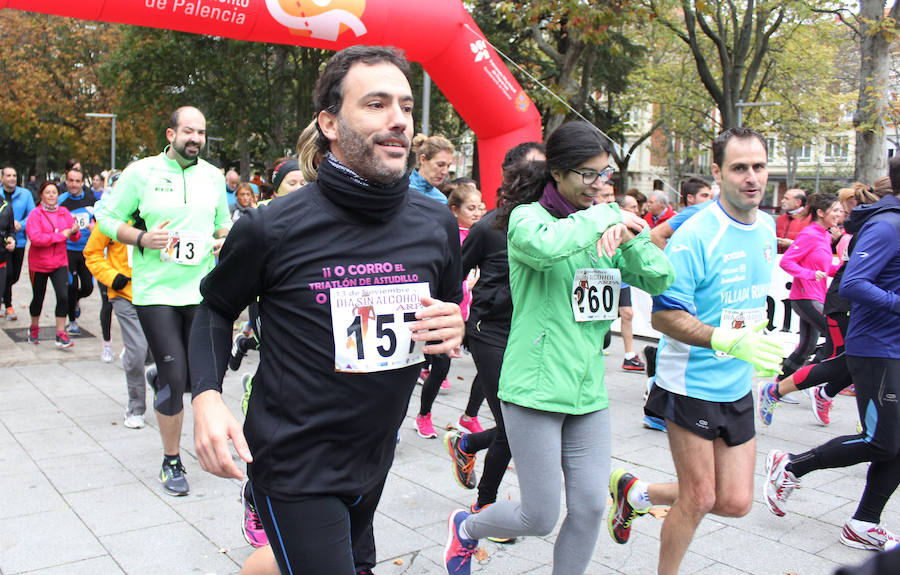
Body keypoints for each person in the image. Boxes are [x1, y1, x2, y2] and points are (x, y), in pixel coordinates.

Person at [188, 46, 464, 575]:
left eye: (406, 107)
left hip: (376, 452)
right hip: (294, 461)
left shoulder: (436, 224)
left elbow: (448, 314)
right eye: (377, 104)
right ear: (330, 123)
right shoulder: (272, 227)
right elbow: (215, 308)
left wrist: (453, 328)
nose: (399, 120)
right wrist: (205, 396)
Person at [444, 120, 674, 575]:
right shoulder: (528, 220)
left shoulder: (605, 225)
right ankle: (467, 529)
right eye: (588, 174)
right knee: (539, 516)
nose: (598, 185)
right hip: (535, 386)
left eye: (604, 174)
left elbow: (659, 277)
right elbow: (548, 247)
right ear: (558, 173)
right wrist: (605, 217)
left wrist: (635, 235)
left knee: (589, 507)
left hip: (588, 389)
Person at [607, 128, 782, 575]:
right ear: (718, 172)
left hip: (737, 383)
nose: (751, 178)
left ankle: (636, 493)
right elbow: (664, 317)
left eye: (758, 167)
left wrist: (754, 337)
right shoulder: (698, 234)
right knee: (700, 497)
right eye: (739, 168)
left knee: (737, 502)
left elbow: (743, 300)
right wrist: (725, 339)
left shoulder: (767, 225)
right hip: (689, 385)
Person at [764, 158, 900, 553]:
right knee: (881, 442)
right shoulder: (888, 226)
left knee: (896, 443)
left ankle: (863, 523)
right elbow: (855, 283)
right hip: (877, 347)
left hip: (892, 345)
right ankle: (790, 465)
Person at [97, 105, 230, 497]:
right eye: (189, 131)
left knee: (200, 376)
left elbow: (222, 221)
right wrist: (140, 238)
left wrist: (227, 237)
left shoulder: (213, 176)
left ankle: (162, 376)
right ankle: (171, 460)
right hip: (156, 292)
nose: (196, 139)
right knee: (175, 380)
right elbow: (105, 217)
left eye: (202, 133)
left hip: (202, 290)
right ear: (170, 134)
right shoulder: (141, 173)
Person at [443, 141, 544, 544]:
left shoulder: (555, 226)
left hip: (532, 333)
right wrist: (451, 322)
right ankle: (484, 508)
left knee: (524, 425)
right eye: (534, 172)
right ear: (514, 179)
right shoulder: (488, 227)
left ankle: (467, 443)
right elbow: (452, 275)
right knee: (513, 427)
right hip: (490, 332)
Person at [757, 180, 892, 426]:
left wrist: (830, 266)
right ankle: (789, 389)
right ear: (821, 212)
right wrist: (811, 275)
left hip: (827, 297)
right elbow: (789, 262)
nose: (839, 215)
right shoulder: (814, 233)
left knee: (808, 346)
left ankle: (791, 388)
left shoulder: (830, 235)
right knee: (837, 356)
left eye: (842, 211)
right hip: (813, 298)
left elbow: (840, 269)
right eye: (835, 211)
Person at [84, 182, 151, 429]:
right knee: (137, 350)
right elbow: (92, 253)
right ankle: (135, 407)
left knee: (161, 351)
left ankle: (154, 377)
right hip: (125, 295)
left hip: (157, 293)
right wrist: (113, 277)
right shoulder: (111, 220)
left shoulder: (157, 215)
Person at [25, 181, 80, 348]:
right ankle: (34, 327)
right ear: (41, 195)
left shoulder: (64, 212)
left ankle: (60, 333)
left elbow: (73, 237)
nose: (51, 195)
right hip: (39, 264)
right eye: (47, 192)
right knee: (38, 298)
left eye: (54, 192)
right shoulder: (35, 214)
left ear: (58, 195)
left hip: (59, 263)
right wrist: (60, 236)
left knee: (63, 296)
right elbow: (35, 238)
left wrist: (75, 231)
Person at [58, 167, 97, 336]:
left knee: (88, 287)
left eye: (77, 181)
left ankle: (76, 301)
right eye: (71, 181)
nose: (74, 185)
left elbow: (98, 219)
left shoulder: (90, 199)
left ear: (82, 182)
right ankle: (72, 322)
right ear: (66, 182)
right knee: (71, 286)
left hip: (86, 249)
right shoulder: (61, 201)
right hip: (67, 250)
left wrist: (95, 226)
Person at [2, 166, 35, 321]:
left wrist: (20, 224)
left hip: (20, 240)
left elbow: (32, 215)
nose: (12, 178)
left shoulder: (25, 194)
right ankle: (8, 305)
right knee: (7, 274)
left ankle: (3, 294)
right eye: (8, 175)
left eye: (14, 175)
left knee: (14, 276)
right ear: (2, 178)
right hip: (3, 242)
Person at [650, 177, 713, 248]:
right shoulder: (691, 213)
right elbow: (655, 234)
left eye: (711, 197)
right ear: (690, 198)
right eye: (704, 196)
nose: (709, 200)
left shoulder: (705, 212)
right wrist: (670, 257)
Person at [409, 134, 453, 204]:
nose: (445, 172)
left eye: (448, 166)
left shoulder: (442, 200)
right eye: (440, 165)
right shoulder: (400, 190)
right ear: (423, 159)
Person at [776, 188, 811, 253]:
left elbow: (813, 246)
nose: (782, 201)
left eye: (786, 199)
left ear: (798, 202)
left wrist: (792, 244)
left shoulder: (811, 220)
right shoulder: (780, 219)